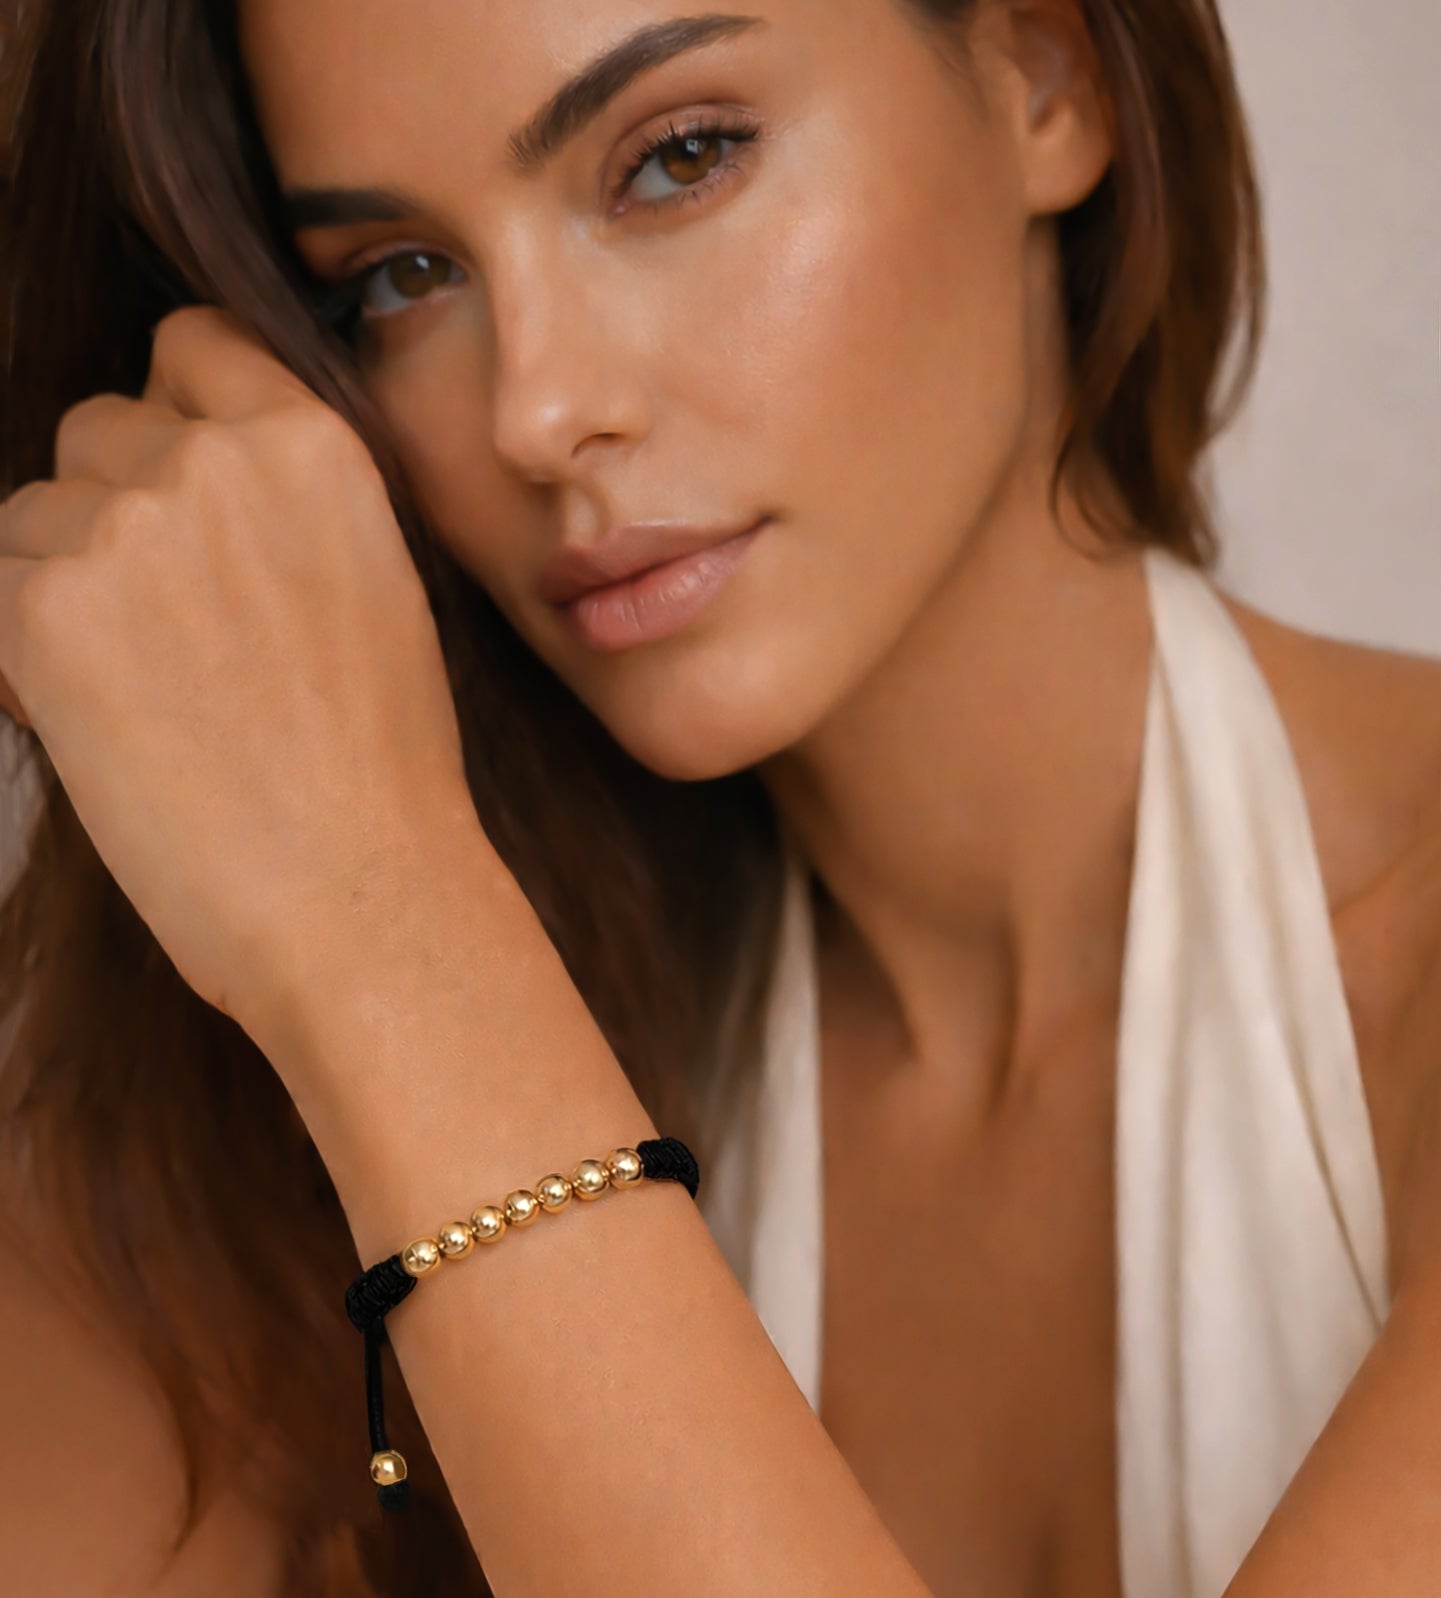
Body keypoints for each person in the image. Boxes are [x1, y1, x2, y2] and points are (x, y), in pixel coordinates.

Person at [0, 1, 1437, 1595]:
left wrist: (381, 930)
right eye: (399, 278)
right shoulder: (267, 1123)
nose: (536, 412)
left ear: (1046, 74)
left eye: (678, 160)